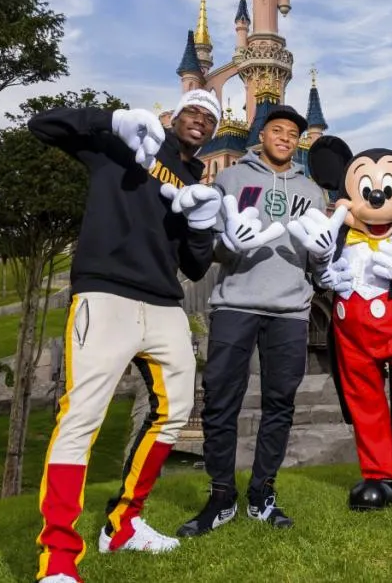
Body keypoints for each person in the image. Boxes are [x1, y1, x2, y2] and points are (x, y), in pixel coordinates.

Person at [29, 88, 222, 583]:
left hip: (164, 304)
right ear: (174, 116)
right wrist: (109, 120)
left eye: (210, 117)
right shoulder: (122, 143)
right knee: (81, 417)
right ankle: (58, 558)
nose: (200, 120)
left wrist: (202, 226)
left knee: (174, 413)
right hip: (106, 292)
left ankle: (124, 524)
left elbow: (194, 265)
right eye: (193, 110)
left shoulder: (191, 181)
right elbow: (43, 124)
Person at [174, 105, 328, 535]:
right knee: (221, 400)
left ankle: (262, 493)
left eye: (292, 133)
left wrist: (324, 256)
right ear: (261, 135)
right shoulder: (231, 179)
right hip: (236, 304)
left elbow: (318, 263)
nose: (285, 138)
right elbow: (211, 248)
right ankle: (221, 495)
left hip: (291, 310)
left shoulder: (312, 192)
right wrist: (229, 243)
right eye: (277, 130)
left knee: (280, 403)